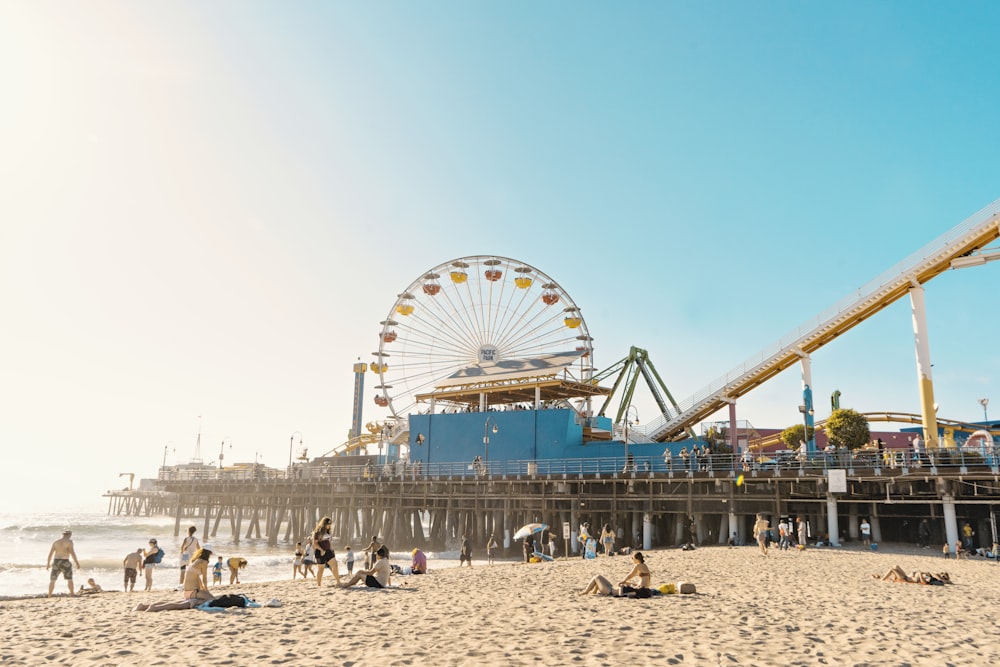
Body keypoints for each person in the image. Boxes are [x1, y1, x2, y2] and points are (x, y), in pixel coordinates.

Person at [47, 529, 82, 597]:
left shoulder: (56, 542)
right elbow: (72, 553)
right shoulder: (69, 542)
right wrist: (77, 562)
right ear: (69, 535)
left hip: (56, 561)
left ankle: (49, 595)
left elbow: (50, 554)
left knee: (53, 580)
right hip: (65, 561)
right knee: (69, 579)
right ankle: (72, 593)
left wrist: (48, 563)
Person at [313, 517, 341, 586]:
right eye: (328, 524)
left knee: (335, 565)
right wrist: (321, 550)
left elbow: (329, 542)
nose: (329, 526)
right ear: (324, 524)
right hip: (320, 552)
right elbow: (315, 544)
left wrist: (332, 549)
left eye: (330, 524)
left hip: (328, 551)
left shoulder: (328, 532)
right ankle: (319, 585)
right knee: (321, 569)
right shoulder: (318, 532)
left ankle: (338, 582)